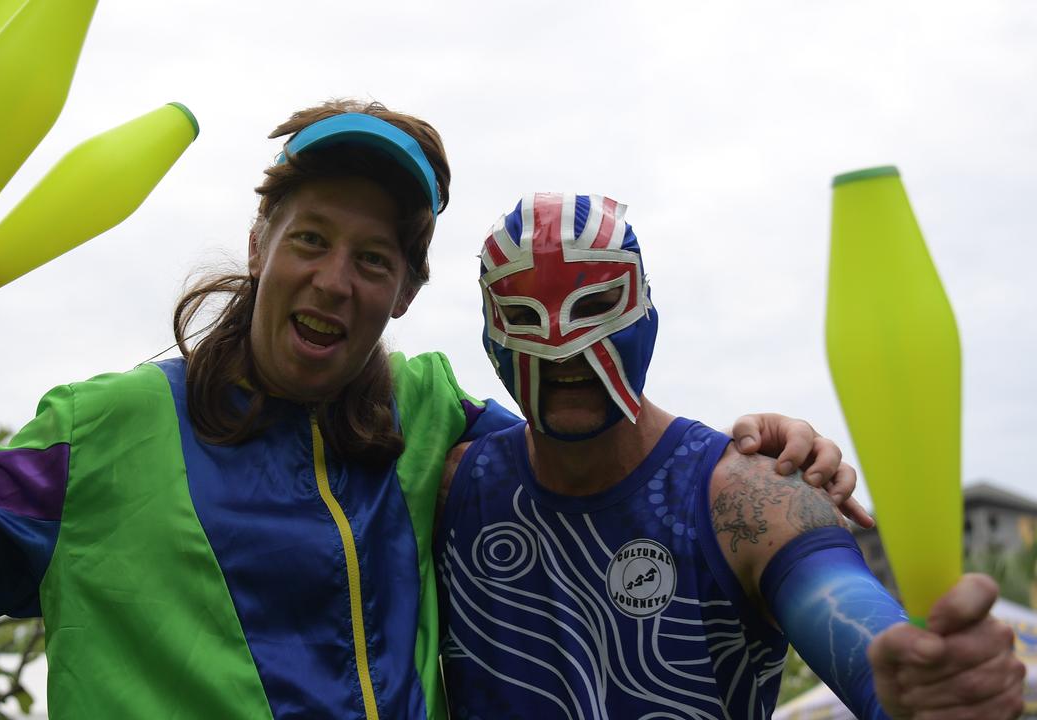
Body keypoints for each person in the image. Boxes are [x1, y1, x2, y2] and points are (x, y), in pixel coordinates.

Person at [0, 103, 857, 718]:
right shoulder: (107, 424)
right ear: (260, 248)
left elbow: (594, 451)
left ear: (404, 291)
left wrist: (755, 461)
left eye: (373, 259)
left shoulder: (433, 413)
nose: (334, 280)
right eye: (309, 240)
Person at [435, 192, 1026, 719]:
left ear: (644, 310)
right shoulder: (450, 482)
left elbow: (850, 617)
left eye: (594, 307)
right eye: (524, 318)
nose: (563, 349)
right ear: (490, 328)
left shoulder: (746, 495)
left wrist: (919, 679)